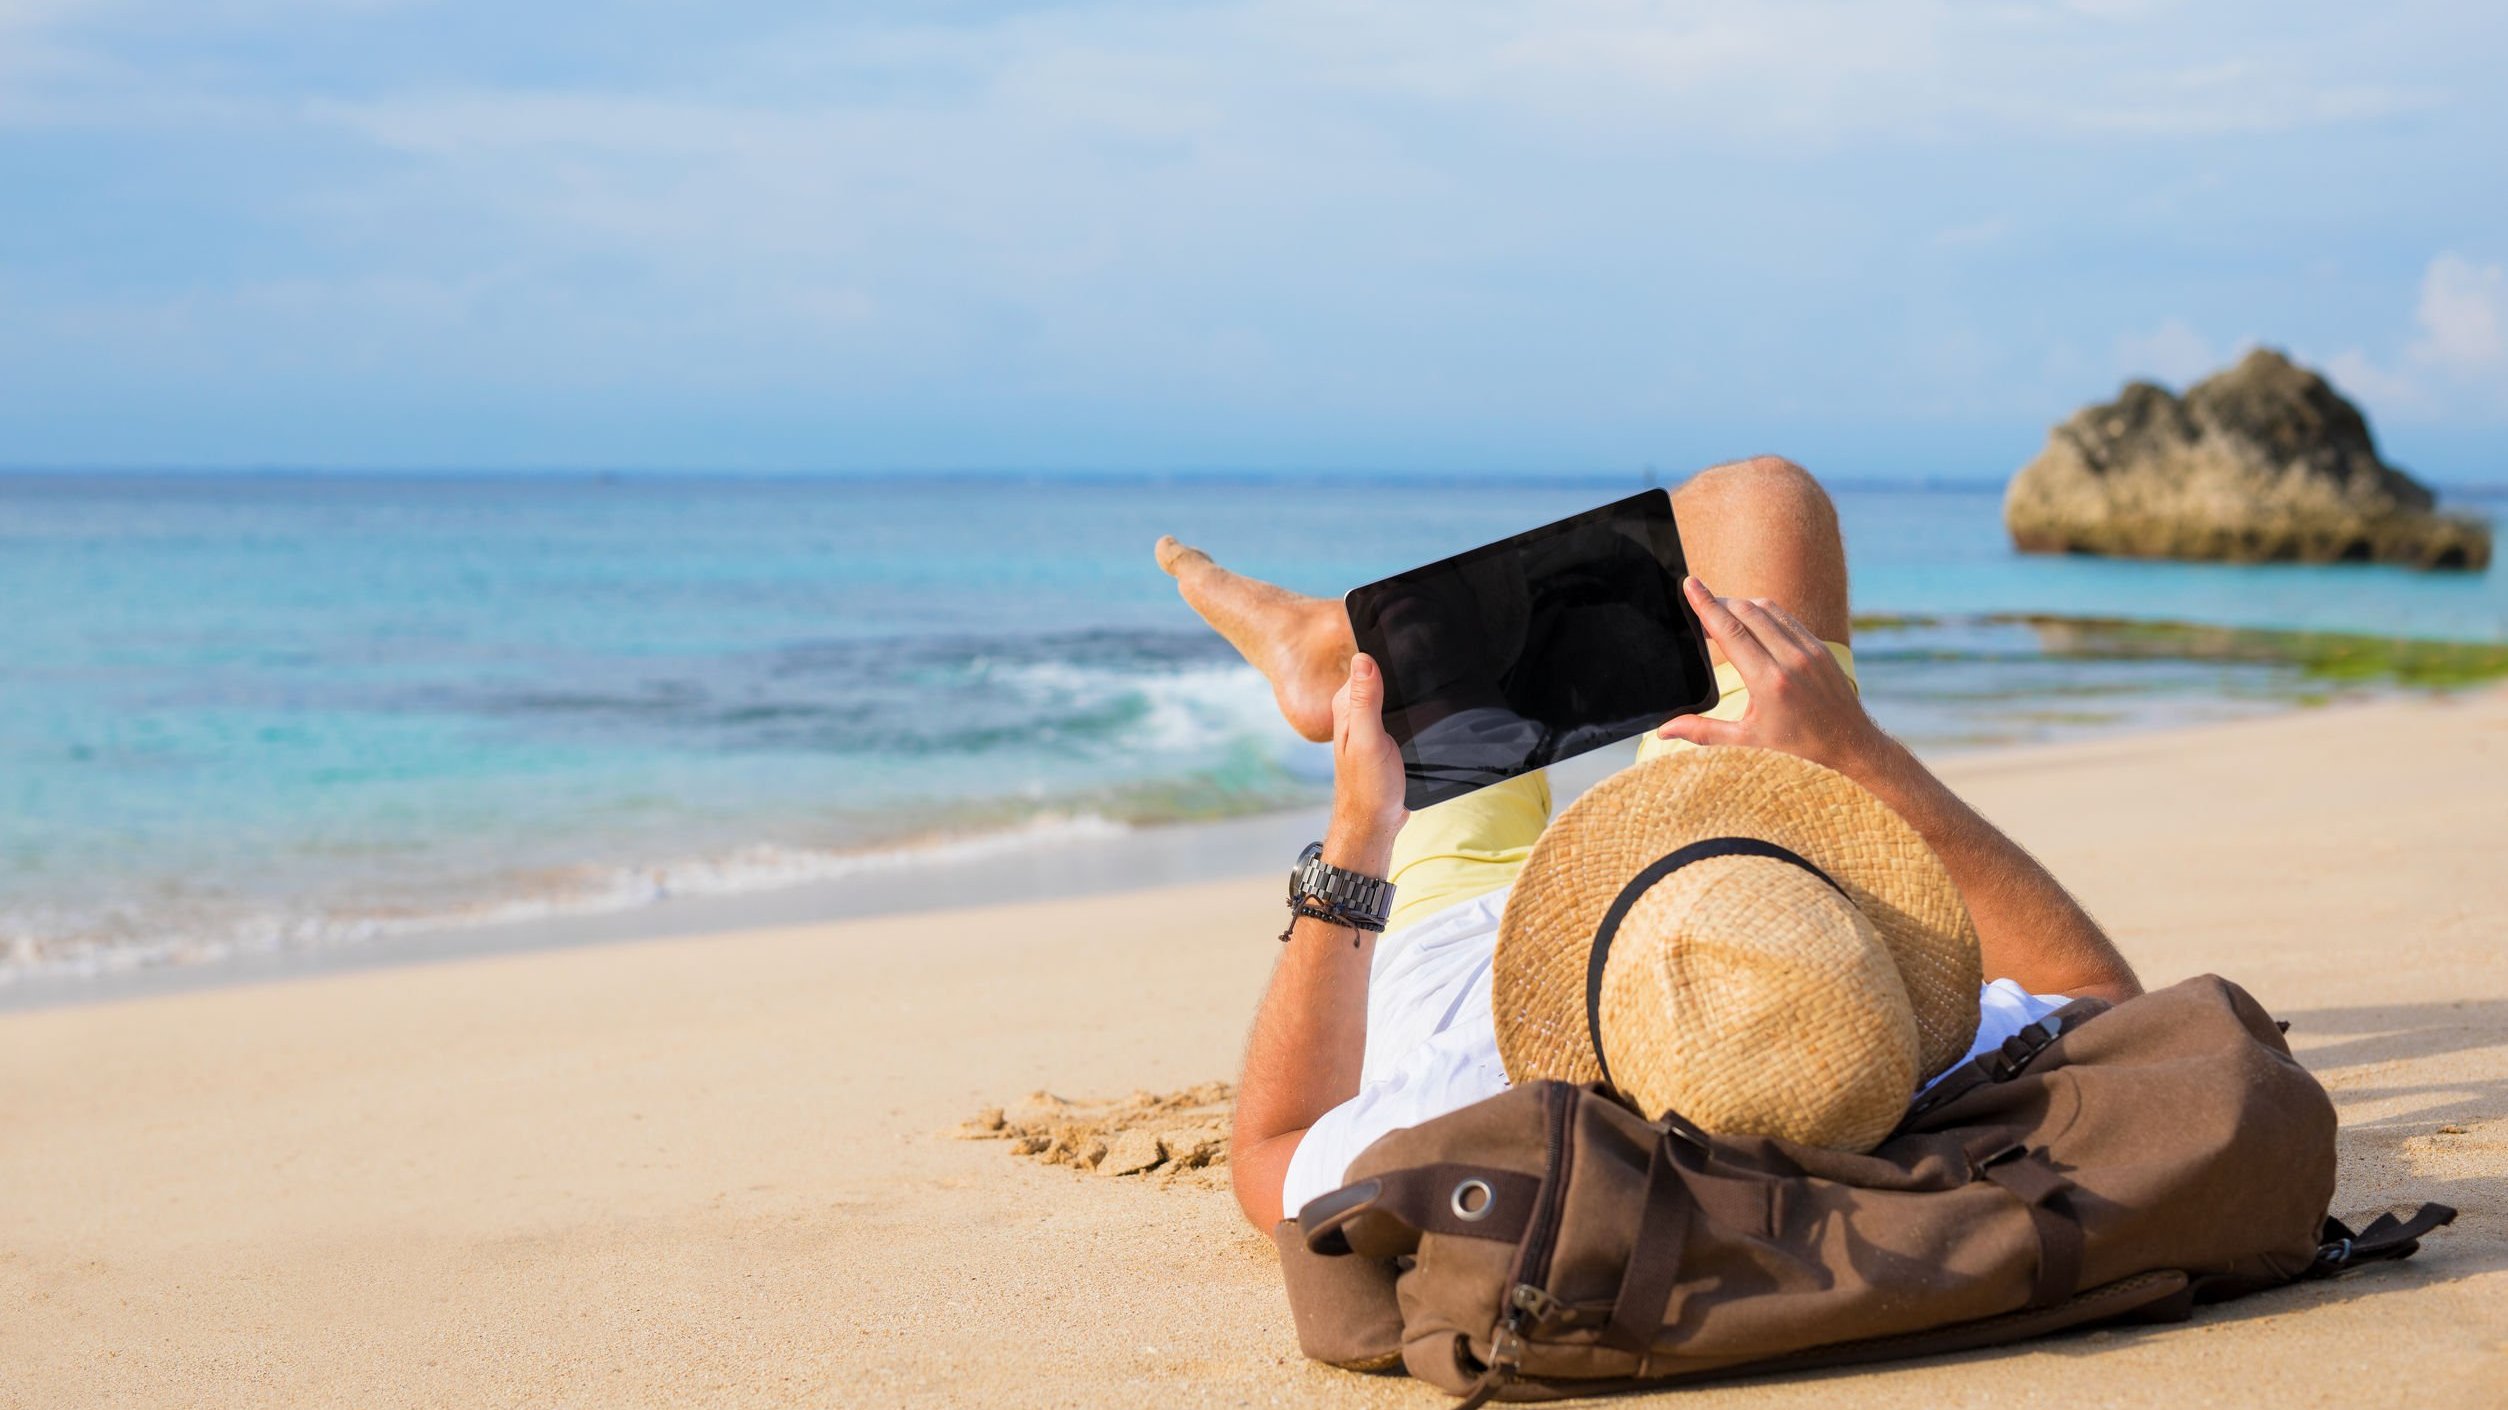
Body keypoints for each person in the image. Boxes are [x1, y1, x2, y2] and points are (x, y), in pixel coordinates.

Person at [1155, 457, 2144, 1232]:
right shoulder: (1860, 1060)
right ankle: (1345, 651)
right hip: (1731, 899)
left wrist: (1356, 834)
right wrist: (1852, 748)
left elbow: (1268, 1152)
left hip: (1467, 953)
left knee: (1417, 672)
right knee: (1763, 501)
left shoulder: (1468, 1122)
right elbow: (2103, 994)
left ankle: (1335, 658)